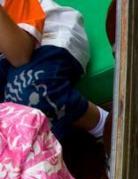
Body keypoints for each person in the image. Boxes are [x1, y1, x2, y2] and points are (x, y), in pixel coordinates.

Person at [0, 0, 110, 142]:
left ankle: (105, 126)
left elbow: (21, 55)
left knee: (28, 92)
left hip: (45, 39)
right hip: (5, 65)